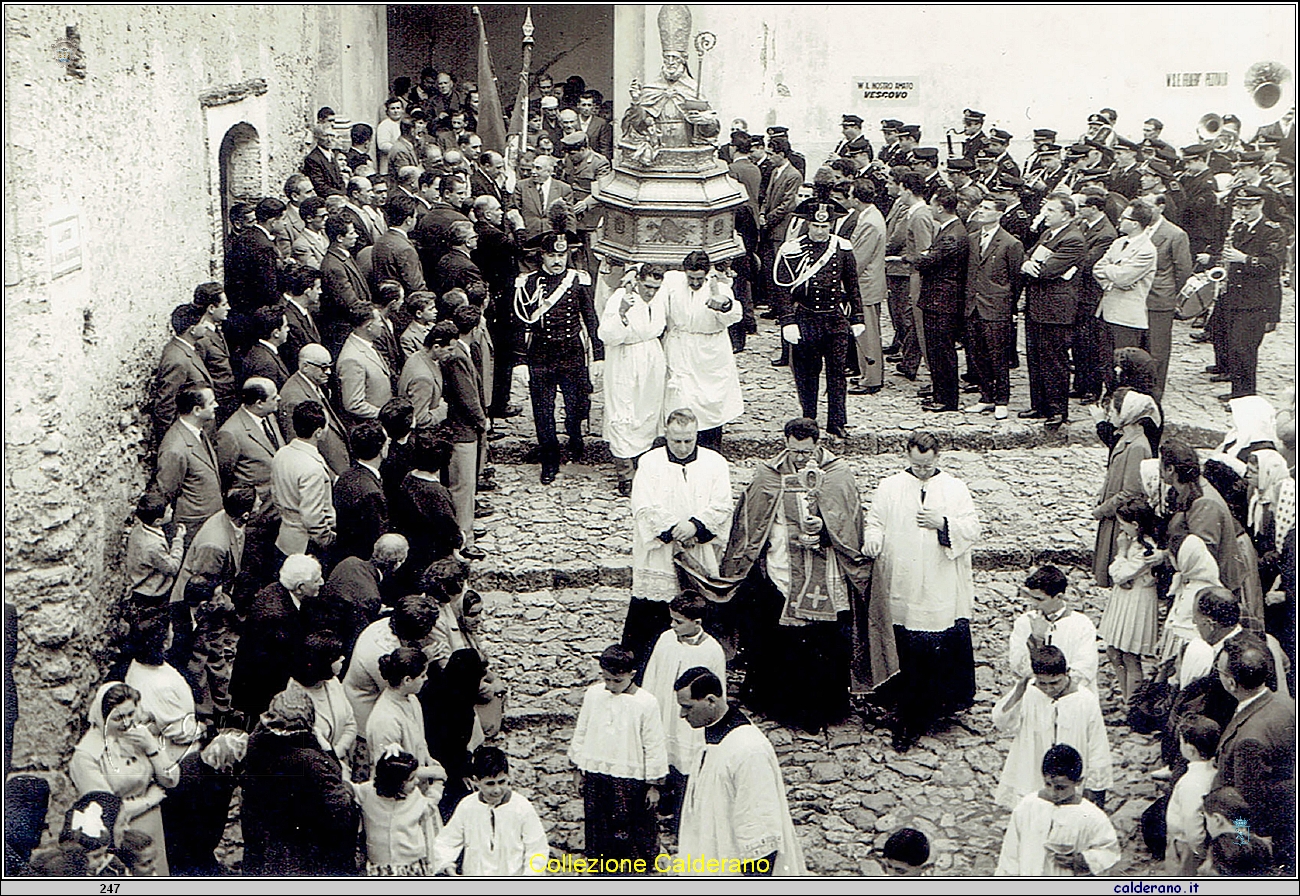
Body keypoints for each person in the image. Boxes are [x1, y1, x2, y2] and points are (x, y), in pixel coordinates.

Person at [713, 417, 894, 733]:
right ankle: (779, 705)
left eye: (806, 452)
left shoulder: (837, 476)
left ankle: (825, 707)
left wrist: (825, 531)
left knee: (820, 642)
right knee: (781, 640)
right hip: (783, 568)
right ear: (786, 443)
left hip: (826, 572)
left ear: (818, 445)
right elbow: (751, 525)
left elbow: (849, 525)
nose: (801, 458)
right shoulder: (768, 476)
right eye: (795, 451)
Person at [865, 431, 979, 751]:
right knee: (904, 642)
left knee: (934, 644)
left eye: (928, 466)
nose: (922, 471)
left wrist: (943, 523)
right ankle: (901, 705)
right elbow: (875, 521)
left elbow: (971, 528)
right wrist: (873, 538)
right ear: (907, 456)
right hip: (901, 578)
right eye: (916, 465)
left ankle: (936, 708)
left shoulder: (954, 488)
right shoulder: (890, 486)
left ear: (937, 458)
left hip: (939, 579)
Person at [624, 409, 732, 673]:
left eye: (688, 440)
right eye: (676, 441)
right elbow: (643, 506)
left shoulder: (714, 462)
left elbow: (722, 505)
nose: (683, 447)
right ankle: (647, 673)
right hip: (661, 553)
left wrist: (695, 526)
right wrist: (674, 529)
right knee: (652, 617)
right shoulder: (650, 462)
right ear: (666, 435)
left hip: (699, 550)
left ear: (696, 435)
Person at [674, 667, 805, 876]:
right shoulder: (711, 737)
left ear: (711, 700)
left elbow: (759, 828)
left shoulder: (748, 750)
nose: (682, 714)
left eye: (687, 707)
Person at [513, 231, 601, 484]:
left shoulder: (578, 280)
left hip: (572, 353)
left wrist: (598, 355)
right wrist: (520, 360)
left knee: (577, 404)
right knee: (543, 410)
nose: (557, 261)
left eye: (561, 255)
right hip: (541, 355)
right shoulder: (527, 283)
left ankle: (575, 438)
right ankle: (549, 459)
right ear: (541, 255)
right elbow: (520, 324)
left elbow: (590, 318)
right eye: (551, 255)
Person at [568, 644, 668, 867]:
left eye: (617, 681)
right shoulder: (594, 695)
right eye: (607, 680)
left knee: (633, 827)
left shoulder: (646, 702)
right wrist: (578, 769)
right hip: (597, 774)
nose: (611, 686)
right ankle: (601, 867)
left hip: (631, 778)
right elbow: (582, 730)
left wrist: (654, 785)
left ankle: (635, 870)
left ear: (631, 675)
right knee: (598, 826)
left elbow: (654, 744)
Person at [240, 688, 358, 876]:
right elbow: (341, 811)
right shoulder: (311, 761)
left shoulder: (257, 739)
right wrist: (330, 755)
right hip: (303, 849)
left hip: (264, 836)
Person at [772, 199, 863, 438]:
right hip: (806, 318)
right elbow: (781, 288)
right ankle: (809, 419)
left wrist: (857, 317)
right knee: (807, 374)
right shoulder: (792, 249)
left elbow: (853, 285)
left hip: (834, 319)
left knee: (837, 373)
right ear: (808, 225)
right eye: (815, 226)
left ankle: (837, 421)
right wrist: (787, 320)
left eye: (825, 227)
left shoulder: (842, 248)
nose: (821, 231)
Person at [69, 682, 179, 876]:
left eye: (130, 714)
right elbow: (105, 810)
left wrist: (152, 747)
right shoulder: (86, 754)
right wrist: (149, 800)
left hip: (152, 824)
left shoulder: (138, 736)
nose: (127, 723)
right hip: (121, 832)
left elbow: (171, 779)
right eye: (118, 718)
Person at [1211, 633, 1296, 871]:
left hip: (1261, 829)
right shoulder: (1284, 703)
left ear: (1230, 683)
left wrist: (1240, 845)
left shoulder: (1250, 739)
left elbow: (1244, 803)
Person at [641, 591, 726, 828]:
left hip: (690, 719)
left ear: (697, 622)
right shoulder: (666, 639)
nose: (672, 625)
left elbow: (717, 691)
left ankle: (683, 815)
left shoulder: (712, 650)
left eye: (678, 622)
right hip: (663, 710)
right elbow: (652, 674)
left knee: (686, 762)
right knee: (662, 755)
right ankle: (661, 804)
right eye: (672, 619)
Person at [993, 646, 1112, 810]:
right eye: (1043, 683)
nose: (1049, 689)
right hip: (1034, 768)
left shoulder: (1085, 700)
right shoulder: (1029, 693)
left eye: (1055, 683)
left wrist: (1095, 784)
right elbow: (1002, 722)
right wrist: (1018, 692)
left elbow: (1097, 745)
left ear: (1066, 673)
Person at [995, 744, 1120, 876]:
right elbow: (1010, 854)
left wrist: (1081, 860)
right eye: (1048, 785)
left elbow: (1109, 851)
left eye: (1061, 787)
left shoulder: (1091, 815)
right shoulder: (1027, 806)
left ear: (1078, 782)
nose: (1053, 792)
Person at [661, 252, 745, 451]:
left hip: (711, 352)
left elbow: (734, 316)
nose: (695, 282)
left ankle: (711, 448)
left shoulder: (720, 288)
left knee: (711, 403)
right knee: (680, 397)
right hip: (680, 346)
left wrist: (724, 305)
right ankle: (681, 446)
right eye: (691, 278)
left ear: (707, 274)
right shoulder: (672, 283)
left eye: (699, 279)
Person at [597, 263, 668, 495]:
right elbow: (606, 334)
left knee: (648, 410)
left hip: (651, 357)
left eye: (655, 287)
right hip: (625, 358)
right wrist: (621, 314)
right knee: (622, 411)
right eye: (647, 286)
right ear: (638, 280)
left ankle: (644, 466)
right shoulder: (620, 297)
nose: (651, 292)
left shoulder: (659, 298)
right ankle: (625, 473)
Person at [229, 553, 324, 720]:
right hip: (261, 691)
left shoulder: (277, 590)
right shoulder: (277, 617)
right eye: (316, 580)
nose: (322, 582)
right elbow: (282, 664)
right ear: (300, 587)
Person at [1020, 194, 1086, 429]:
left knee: (1054, 360)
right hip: (1038, 305)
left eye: (1051, 210)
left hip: (1056, 309)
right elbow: (1028, 255)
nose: (1045, 214)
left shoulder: (1073, 239)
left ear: (1066, 215)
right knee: (1036, 356)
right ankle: (1040, 405)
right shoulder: (1049, 234)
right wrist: (1029, 264)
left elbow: (1047, 270)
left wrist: (1032, 266)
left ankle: (1058, 410)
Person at [1213, 187, 1286, 401]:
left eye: (1248, 206)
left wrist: (1243, 258)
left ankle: (1245, 396)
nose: (1243, 211)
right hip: (1234, 297)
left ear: (1260, 204)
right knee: (1233, 348)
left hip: (1256, 301)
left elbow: (1272, 264)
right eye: (1240, 206)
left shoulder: (1273, 231)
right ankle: (1238, 391)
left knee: (1244, 351)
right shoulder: (1238, 228)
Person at [433, 746, 549, 876]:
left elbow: (537, 849)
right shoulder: (467, 806)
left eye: (501, 782)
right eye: (490, 784)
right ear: (476, 781)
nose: (497, 790)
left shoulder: (521, 807)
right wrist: (448, 866)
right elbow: (446, 841)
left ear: (509, 777)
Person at [1092, 388, 1162, 587]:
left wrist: (1102, 510)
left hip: (1117, 516)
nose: (1110, 415)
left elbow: (1131, 491)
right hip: (1112, 510)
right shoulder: (1126, 438)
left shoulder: (1138, 446)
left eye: (1113, 410)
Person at [344, 595, 441, 734]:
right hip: (367, 713)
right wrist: (423, 660)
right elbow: (401, 690)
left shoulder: (390, 623)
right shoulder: (382, 654)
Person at [1100, 496, 1165, 703]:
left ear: (1135, 525)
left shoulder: (1147, 549)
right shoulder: (1134, 543)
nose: (1121, 528)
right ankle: (1127, 694)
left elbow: (1119, 574)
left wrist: (1121, 552)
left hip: (1137, 602)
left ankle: (1133, 701)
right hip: (1124, 599)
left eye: (1123, 523)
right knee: (1113, 650)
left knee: (1129, 654)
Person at [910, 189, 969, 412]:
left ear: (941, 207)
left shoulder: (952, 234)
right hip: (938, 299)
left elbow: (929, 261)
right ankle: (939, 392)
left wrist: (917, 258)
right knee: (936, 350)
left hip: (943, 300)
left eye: (932, 204)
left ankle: (946, 398)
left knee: (942, 351)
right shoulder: (949, 230)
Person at [159, 728, 246, 876]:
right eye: (233, 765)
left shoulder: (202, 766)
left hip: (196, 849)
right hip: (185, 854)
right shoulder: (194, 779)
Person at [123, 614, 201, 770]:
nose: (174, 633)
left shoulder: (139, 665)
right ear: (164, 643)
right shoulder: (159, 686)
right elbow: (180, 733)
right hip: (177, 756)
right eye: (171, 631)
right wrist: (200, 729)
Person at [1008, 566, 1099, 694]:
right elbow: (1017, 664)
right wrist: (1037, 640)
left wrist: (1058, 687)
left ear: (1059, 597)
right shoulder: (1024, 622)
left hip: (1072, 695)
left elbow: (1086, 666)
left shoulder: (1082, 624)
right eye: (1031, 597)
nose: (1033, 604)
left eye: (1039, 599)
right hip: (1034, 693)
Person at [352, 748, 442, 877]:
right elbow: (344, 784)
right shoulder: (367, 792)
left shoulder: (415, 795)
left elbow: (429, 806)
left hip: (412, 866)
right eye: (411, 779)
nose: (416, 781)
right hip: (379, 868)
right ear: (394, 781)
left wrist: (438, 786)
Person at [368, 647, 446, 785]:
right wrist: (433, 772)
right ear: (407, 680)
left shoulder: (412, 699)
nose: (426, 679)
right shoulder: (385, 719)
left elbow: (419, 741)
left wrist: (428, 759)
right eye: (422, 676)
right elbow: (392, 770)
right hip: (397, 791)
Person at [153, 384, 223, 539]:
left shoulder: (198, 433)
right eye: (211, 403)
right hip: (194, 526)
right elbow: (168, 491)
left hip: (208, 520)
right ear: (197, 410)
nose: (216, 406)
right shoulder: (175, 448)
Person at [283, 630, 356, 773]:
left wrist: (336, 753)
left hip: (339, 764)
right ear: (324, 662)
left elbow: (350, 723)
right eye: (336, 657)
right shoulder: (295, 700)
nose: (342, 658)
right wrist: (331, 758)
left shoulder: (333, 682)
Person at [271, 401, 336, 559]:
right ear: (318, 432)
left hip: (285, 537)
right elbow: (312, 517)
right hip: (306, 545)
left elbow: (275, 497)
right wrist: (327, 539)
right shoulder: (312, 467)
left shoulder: (281, 454)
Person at [1163, 715, 1221, 874]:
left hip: (1187, 847)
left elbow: (1192, 820)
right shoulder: (1216, 772)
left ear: (1190, 749)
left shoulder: (1191, 783)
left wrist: (1200, 851)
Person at [214, 377, 284, 506]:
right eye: (273, 397)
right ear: (259, 403)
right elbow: (224, 475)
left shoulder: (269, 416)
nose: (279, 398)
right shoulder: (230, 433)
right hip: (258, 510)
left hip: (279, 504)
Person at [123, 492, 186, 620]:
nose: (172, 511)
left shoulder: (139, 529)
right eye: (169, 511)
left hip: (140, 586)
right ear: (158, 521)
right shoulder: (153, 546)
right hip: (152, 594)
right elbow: (172, 568)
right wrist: (179, 540)